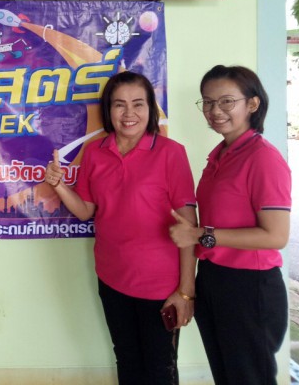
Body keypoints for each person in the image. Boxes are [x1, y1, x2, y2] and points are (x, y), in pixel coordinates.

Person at [45, 71, 197, 385]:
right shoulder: (95, 152)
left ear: (151, 108)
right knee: (126, 360)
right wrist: (58, 185)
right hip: (112, 279)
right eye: (119, 104)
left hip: (160, 287)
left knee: (160, 368)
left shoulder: (171, 153)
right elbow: (86, 211)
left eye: (138, 104)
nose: (129, 113)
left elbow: (189, 228)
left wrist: (185, 291)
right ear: (108, 109)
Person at [169, 65, 290, 385]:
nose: (215, 111)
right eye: (208, 102)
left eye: (226, 101)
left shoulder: (263, 158)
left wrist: (199, 235)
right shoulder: (219, 156)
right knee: (227, 375)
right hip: (214, 279)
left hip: (250, 287)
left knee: (249, 377)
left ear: (252, 104)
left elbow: (276, 236)